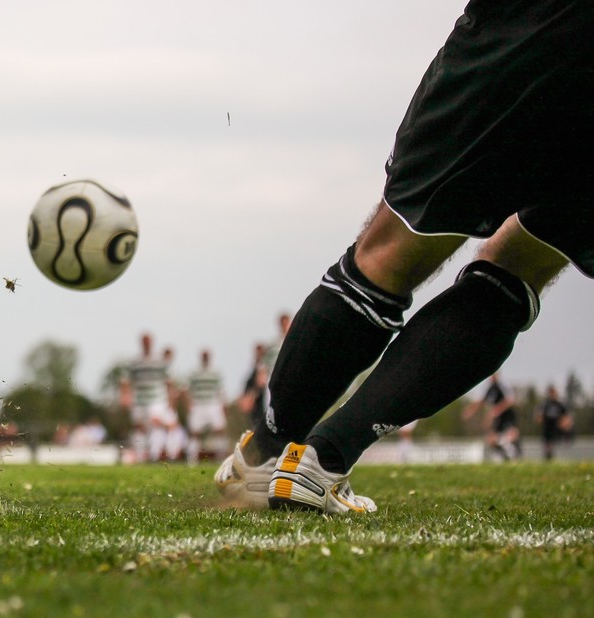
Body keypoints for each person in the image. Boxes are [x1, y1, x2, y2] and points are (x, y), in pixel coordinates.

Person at [218, 1, 592, 513]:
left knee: (390, 252)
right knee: (524, 262)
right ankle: (321, 462)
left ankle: (266, 457)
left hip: (532, 25)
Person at [118, 333, 172, 463]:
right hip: (139, 400)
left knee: (155, 424)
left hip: (156, 399)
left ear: (152, 342)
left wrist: (170, 399)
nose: (146, 343)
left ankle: (154, 455)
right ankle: (140, 456)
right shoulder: (135, 361)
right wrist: (125, 396)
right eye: (144, 341)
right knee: (139, 426)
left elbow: (168, 381)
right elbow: (126, 380)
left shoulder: (159, 361)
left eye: (148, 341)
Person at [462, 373, 522, 462]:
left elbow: (510, 400)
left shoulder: (503, 385)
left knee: (512, 435)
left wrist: (497, 410)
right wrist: (470, 410)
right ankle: (505, 456)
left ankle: (514, 455)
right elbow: (481, 401)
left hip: (507, 415)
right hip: (497, 418)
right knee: (491, 439)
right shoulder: (489, 388)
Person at [185, 349, 229, 463]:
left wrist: (223, 404)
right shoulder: (194, 373)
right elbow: (189, 390)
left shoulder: (215, 373)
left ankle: (221, 458)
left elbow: (221, 390)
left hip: (213, 404)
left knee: (220, 430)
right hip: (198, 404)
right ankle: (192, 460)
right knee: (195, 432)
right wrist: (189, 404)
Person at [535, 384, 573, 461]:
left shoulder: (560, 405)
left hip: (557, 429)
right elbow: (538, 417)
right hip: (548, 428)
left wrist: (564, 424)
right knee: (548, 447)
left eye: (554, 393)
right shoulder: (545, 404)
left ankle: (566, 441)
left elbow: (567, 418)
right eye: (551, 393)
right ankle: (549, 459)